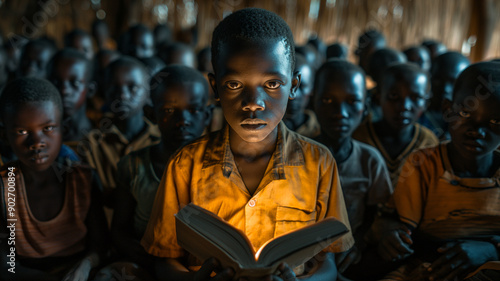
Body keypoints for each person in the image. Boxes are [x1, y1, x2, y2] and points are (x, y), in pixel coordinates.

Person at [141, 8, 354, 281]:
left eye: (272, 83)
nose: (254, 102)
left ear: (294, 86)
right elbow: (164, 262)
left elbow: (328, 266)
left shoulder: (319, 163)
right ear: (215, 87)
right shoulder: (185, 165)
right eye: (233, 84)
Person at [375, 61, 500, 281]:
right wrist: (390, 234)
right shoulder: (424, 164)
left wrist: (490, 250)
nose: (477, 131)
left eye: (495, 121)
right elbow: (396, 222)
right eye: (465, 113)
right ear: (446, 109)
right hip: (429, 267)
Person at [98, 65, 213, 280]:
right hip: (147, 262)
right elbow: (120, 231)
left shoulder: (220, 167)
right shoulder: (134, 165)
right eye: (169, 110)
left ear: (207, 116)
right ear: (152, 114)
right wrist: (155, 260)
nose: (183, 120)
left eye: (194, 110)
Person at [0, 78, 108, 281]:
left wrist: (84, 267)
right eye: (22, 132)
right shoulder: (5, 189)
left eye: (48, 128)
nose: (37, 143)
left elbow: (99, 246)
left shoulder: (82, 180)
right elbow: (7, 266)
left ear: (63, 130)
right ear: (5, 137)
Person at [314, 59, 393, 278]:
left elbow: (375, 213)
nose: (340, 112)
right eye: (328, 100)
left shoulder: (369, 160)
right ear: (314, 103)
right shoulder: (296, 156)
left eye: (352, 101)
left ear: (365, 107)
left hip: (351, 253)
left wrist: (357, 243)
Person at [82, 56, 160, 207]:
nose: (123, 95)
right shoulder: (91, 144)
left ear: (147, 93)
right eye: (114, 88)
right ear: (105, 91)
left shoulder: (161, 139)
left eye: (132, 87)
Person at [353, 63, 439, 188]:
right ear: (378, 98)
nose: (404, 106)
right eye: (394, 96)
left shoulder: (428, 143)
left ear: (426, 103)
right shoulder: (359, 138)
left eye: (415, 98)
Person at [47, 48, 95, 150]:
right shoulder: (40, 141)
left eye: (75, 83)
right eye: (56, 82)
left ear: (90, 89)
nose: (64, 91)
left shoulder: (102, 140)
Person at [419, 51, 470, 139]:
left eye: (453, 82)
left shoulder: (470, 121)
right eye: (438, 80)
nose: (445, 88)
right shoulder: (414, 115)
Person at [283, 53, 320, 138]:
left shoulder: (319, 133)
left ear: (312, 88)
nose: (294, 94)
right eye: (288, 85)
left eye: (302, 86)